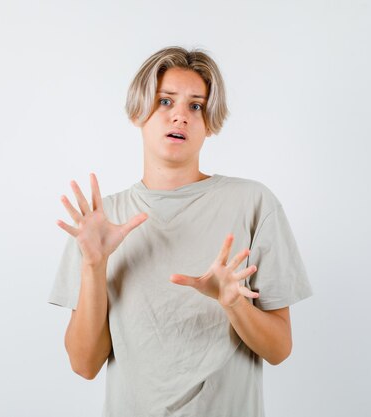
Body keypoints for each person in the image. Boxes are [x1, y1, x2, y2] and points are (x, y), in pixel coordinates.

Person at [48, 46, 312, 416]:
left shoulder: (253, 203)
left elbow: (279, 349)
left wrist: (234, 303)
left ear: (209, 122)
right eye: (165, 101)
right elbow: (84, 364)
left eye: (196, 106)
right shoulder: (101, 221)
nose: (180, 117)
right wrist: (94, 264)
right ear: (140, 111)